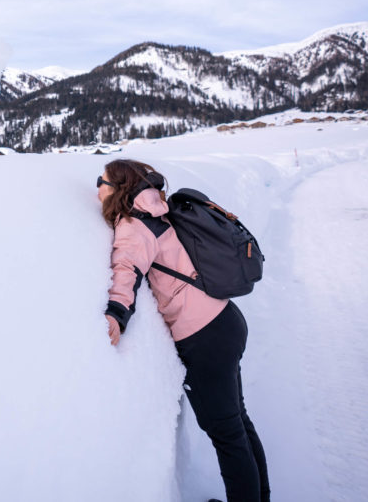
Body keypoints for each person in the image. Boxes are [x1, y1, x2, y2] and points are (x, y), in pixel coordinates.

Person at [98, 159, 270, 502]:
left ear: (119, 189)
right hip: (225, 319)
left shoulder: (133, 225)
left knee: (227, 434)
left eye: (100, 181)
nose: (97, 188)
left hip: (203, 336)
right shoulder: (158, 209)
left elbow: (126, 269)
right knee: (237, 423)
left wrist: (116, 314)